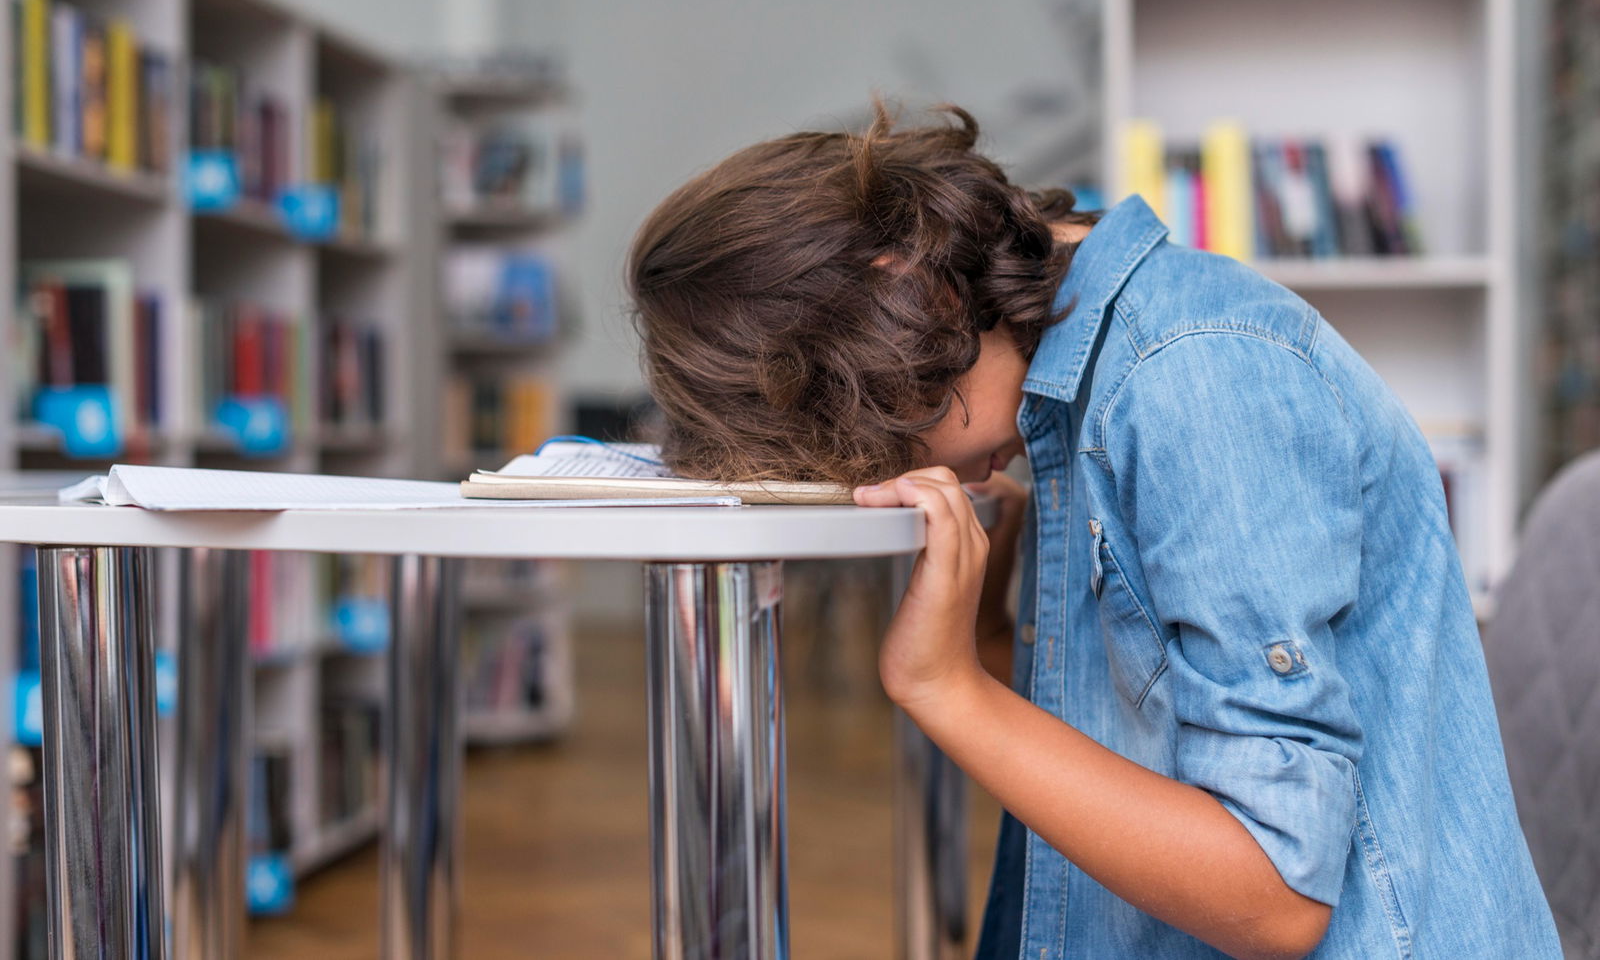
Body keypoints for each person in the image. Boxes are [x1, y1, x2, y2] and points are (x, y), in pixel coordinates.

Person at [626, 102, 1559, 959]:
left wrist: (945, 688)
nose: (889, 472)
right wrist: (994, 628)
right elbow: (1131, 734)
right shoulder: (1075, 388)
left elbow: (1275, 895)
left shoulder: (1195, 381)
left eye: (868, 434)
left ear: (911, 292)